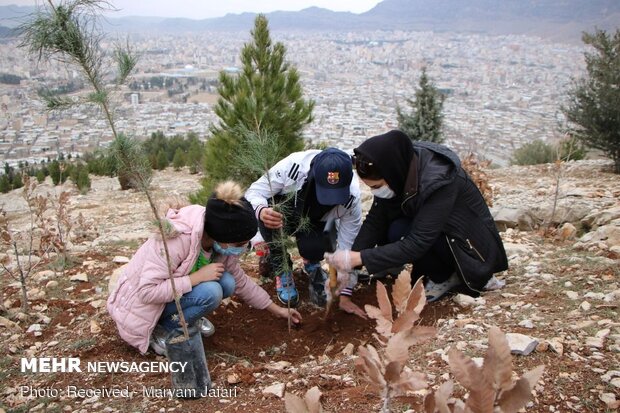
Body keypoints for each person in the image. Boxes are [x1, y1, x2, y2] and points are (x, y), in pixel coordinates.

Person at [107, 181, 302, 355]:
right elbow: (147, 293)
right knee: (212, 290)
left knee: (227, 282)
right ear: (223, 236)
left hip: (168, 296)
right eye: (240, 243)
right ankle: (163, 328)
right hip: (141, 311)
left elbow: (241, 282)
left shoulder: (217, 239)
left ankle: (184, 317)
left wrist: (277, 310)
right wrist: (196, 278)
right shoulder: (177, 239)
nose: (243, 248)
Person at [325, 130, 508, 301]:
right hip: (436, 229)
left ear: (391, 174)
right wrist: (351, 267)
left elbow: (418, 242)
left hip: (468, 246)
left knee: (401, 233)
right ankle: (404, 266)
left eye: (376, 186)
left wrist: (359, 258)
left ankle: (446, 276)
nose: (375, 192)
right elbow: (376, 220)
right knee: (395, 228)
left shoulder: (439, 181)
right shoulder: (400, 167)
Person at [245, 147, 366, 318]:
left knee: (315, 249)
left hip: (315, 220)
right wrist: (262, 211)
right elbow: (255, 191)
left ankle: (312, 263)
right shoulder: (293, 167)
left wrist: (345, 291)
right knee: (271, 228)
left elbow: (348, 248)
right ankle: (282, 269)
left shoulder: (351, 199)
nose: (331, 199)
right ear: (313, 175)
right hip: (282, 213)